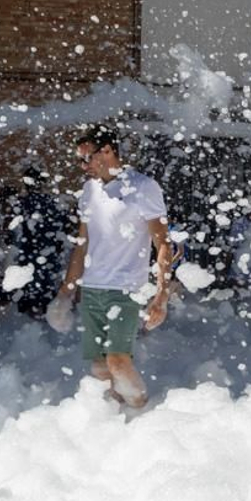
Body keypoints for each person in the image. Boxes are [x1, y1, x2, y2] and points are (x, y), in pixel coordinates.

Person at [59, 126, 171, 409]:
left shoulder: (143, 187)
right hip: (92, 289)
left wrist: (162, 295)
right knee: (99, 370)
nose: (83, 166)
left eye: (87, 158)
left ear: (107, 151)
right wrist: (65, 292)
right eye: (79, 160)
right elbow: (82, 244)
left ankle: (144, 410)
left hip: (125, 289)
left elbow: (164, 244)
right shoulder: (88, 190)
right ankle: (118, 425)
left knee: (118, 362)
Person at [12, 166, 74, 319]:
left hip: (28, 254)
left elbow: (13, 231)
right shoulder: (53, 203)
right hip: (48, 255)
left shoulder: (20, 204)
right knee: (46, 291)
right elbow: (64, 228)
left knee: (28, 292)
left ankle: (29, 324)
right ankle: (46, 322)